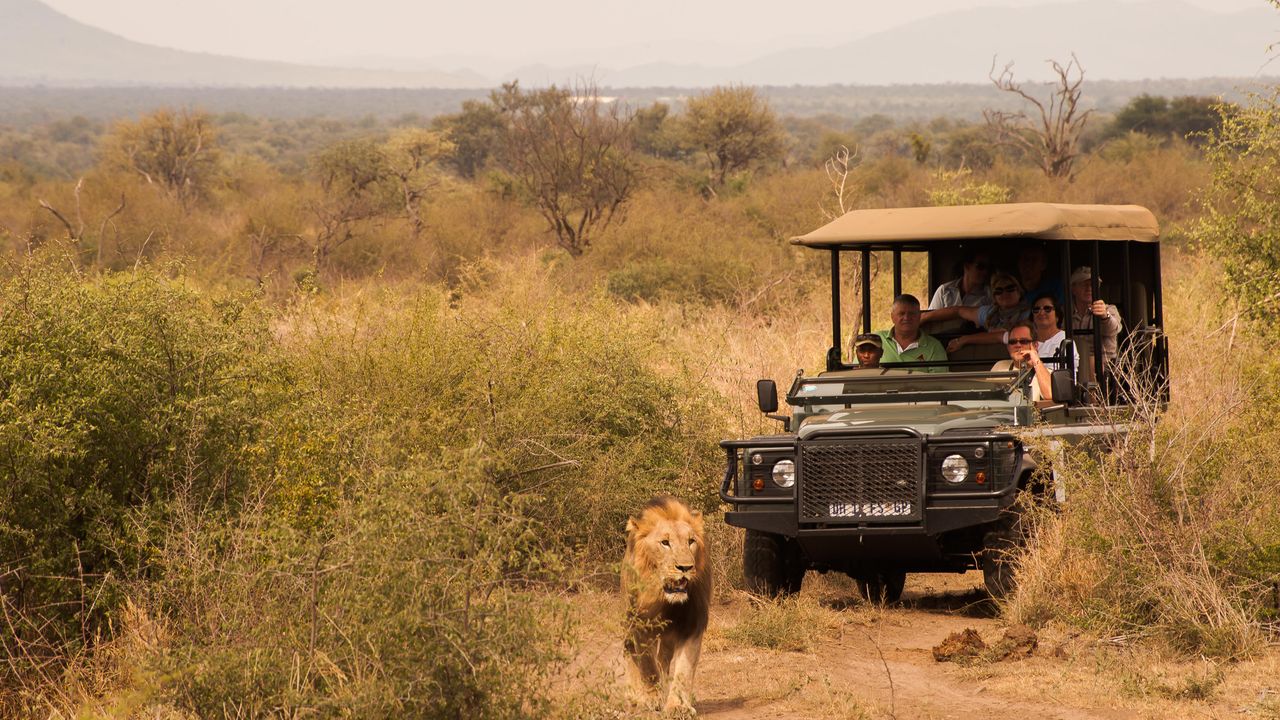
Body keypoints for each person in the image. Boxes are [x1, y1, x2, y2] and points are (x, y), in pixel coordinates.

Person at [922, 272, 1030, 353]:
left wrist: (965, 339)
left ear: (1019, 291)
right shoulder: (991, 312)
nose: (1004, 293)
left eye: (1010, 289)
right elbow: (959, 311)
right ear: (994, 297)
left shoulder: (1029, 313)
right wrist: (924, 317)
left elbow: (1003, 335)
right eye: (999, 291)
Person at [876, 294, 948, 372]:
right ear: (892, 317)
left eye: (912, 314)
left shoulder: (934, 347)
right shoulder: (877, 339)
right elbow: (862, 371)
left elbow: (939, 382)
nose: (906, 318)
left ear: (919, 317)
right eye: (901, 313)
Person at [1068, 266, 1121, 365]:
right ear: (1073, 288)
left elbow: (1113, 329)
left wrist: (1105, 316)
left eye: (1092, 284)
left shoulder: (1109, 309)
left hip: (1104, 365)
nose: (1089, 288)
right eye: (1083, 284)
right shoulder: (1064, 313)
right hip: (1073, 362)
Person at [992, 321, 1054, 402]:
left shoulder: (1044, 372)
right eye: (1013, 342)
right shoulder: (1000, 366)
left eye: (1023, 341)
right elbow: (986, 396)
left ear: (1035, 345)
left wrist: (1036, 361)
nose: (1018, 345)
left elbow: (1051, 395)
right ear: (1008, 347)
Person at [1029, 293, 1081, 381]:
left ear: (1057, 316)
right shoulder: (1027, 340)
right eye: (1036, 309)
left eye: (1047, 309)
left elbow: (1053, 376)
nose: (1041, 312)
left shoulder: (1064, 340)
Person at [928, 248, 993, 310]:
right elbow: (930, 318)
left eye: (988, 267)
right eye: (981, 266)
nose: (985, 271)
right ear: (967, 266)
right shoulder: (944, 290)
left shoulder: (989, 296)